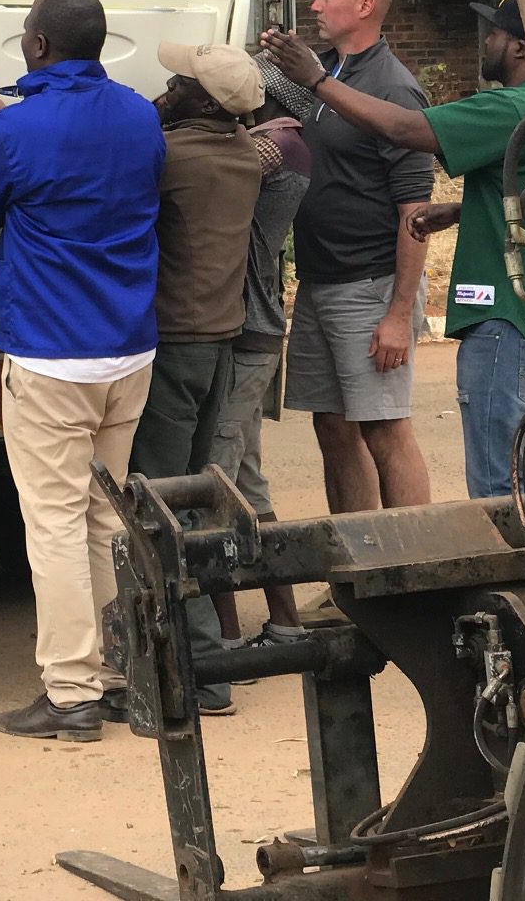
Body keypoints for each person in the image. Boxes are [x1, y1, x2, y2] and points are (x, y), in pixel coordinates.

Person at [0, 0, 166, 743]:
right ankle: (113, 673)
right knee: (107, 514)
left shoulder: (15, 130)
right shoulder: (142, 115)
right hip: (129, 347)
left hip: (50, 354)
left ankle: (70, 693)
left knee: (52, 523)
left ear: (38, 46)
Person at [263, 0, 525, 499]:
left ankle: (515, 578)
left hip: (508, 319)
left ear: (518, 47)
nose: (484, 42)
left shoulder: (512, 106)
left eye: (492, 34)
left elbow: (405, 129)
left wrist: (316, 81)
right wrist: (459, 210)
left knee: (503, 487)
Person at [121, 40, 266, 718]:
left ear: (204, 101)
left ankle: (196, 668)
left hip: (175, 346)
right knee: (201, 501)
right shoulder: (243, 156)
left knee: (160, 506)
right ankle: (211, 667)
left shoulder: (171, 156)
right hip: (220, 344)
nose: (170, 82)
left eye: (184, 80)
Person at [260, 0, 435, 513]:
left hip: (372, 286)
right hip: (320, 282)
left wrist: (398, 315)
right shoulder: (328, 72)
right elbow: (257, 82)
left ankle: (412, 573)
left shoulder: (394, 90)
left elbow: (417, 212)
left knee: (384, 430)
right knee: (332, 428)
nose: (314, 6)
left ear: (364, 7)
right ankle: (359, 572)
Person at [209, 110, 310, 651]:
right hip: (253, 334)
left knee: (216, 483)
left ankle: (224, 637)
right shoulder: (275, 146)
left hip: (247, 335)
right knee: (245, 483)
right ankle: (284, 623)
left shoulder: (278, 147)